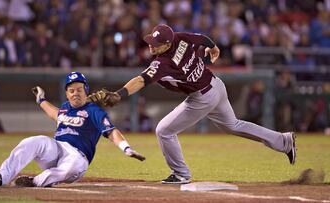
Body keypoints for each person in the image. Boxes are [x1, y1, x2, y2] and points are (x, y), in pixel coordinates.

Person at [88, 24, 296, 184]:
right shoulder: (181, 38)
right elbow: (203, 39)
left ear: (168, 44)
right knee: (233, 125)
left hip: (202, 97)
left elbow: (141, 80)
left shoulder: (163, 62)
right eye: (151, 40)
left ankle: (180, 174)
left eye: (157, 43)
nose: (152, 44)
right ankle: (284, 141)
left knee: (164, 130)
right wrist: (213, 48)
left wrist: (119, 94)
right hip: (215, 85)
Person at [0, 71, 145, 188]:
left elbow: (111, 132)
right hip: (56, 148)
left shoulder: (94, 111)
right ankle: (1, 176)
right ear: (67, 94)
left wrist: (126, 148)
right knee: (33, 141)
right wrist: (40, 99)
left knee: (71, 166)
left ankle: (34, 182)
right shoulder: (64, 108)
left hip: (77, 156)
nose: (75, 92)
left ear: (86, 91)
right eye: (71, 90)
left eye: (79, 89)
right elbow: (54, 114)